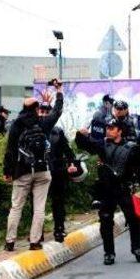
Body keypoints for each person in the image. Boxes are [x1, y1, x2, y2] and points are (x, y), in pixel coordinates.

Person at [2, 79, 64, 251]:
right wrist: (59, 92)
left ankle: (10, 242)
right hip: (42, 171)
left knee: (16, 207)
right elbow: (57, 111)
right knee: (39, 207)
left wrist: (7, 171)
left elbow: (10, 151)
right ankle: (35, 242)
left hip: (21, 171)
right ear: (37, 109)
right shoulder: (43, 123)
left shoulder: (16, 125)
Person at [76, 119, 140, 265]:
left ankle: (137, 247)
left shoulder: (130, 148)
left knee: (134, 219)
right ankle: (109, 253)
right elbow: (84, 145)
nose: (109, 130)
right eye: (108, 127)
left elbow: (138, 168)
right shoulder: (102, 144)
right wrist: (80, 134)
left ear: (119, 131)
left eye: (112, 128)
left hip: (123, 188)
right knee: (106, 221)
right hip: (106, 189)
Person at [41, 102, 79, 243]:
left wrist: (72, 163)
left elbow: (68, 151)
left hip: (57, 172)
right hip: (40, 172)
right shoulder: (31, 130)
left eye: (47, 112)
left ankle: (59, 229)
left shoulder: (58, 132)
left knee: (58, 202)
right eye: (42, 111)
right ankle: (37, 233)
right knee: (38, 204)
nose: (44, 114)